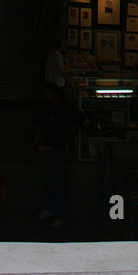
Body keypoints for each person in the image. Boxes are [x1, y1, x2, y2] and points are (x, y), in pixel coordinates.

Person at [35, 82, 82, 229]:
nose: (46, 96)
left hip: (59, 148)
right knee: (49, 180)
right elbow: (39, 125)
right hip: (48, 148)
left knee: (59, 182)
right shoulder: (47, 107)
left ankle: (60, 214)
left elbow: (78, 118)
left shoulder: (64, 108)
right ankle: (51, 209)